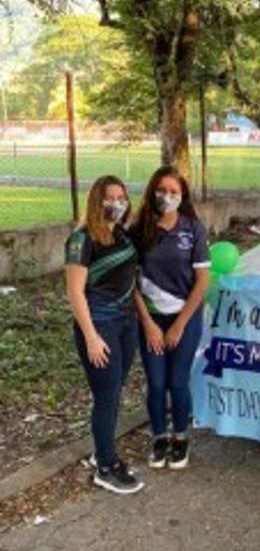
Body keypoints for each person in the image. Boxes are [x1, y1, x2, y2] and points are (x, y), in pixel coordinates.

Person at [65, 176, 143, 494]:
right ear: (97, 201)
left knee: (113, 393)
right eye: (110, 198)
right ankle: (106, 467)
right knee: (107, 397)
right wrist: (92, 337)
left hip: (127, 324)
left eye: (122, 197)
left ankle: (102, 453)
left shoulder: (122, 236)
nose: (117, 203)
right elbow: (74, 292)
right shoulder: (81, 240)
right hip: (100, 327)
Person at [131, 166, 210, 469]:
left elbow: (202, 281)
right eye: (161, 190)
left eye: (174, 192)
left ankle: (180, 438)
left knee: (178, 382)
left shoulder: (193, 229)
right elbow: (131, 284)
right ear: (152, 192)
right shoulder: (138, 231)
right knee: (156, 382)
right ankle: (159, 438)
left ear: (183, 196)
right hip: (150, 320)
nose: (167, 196)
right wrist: (149, 324)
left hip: (185, 319)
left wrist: (179, 325)